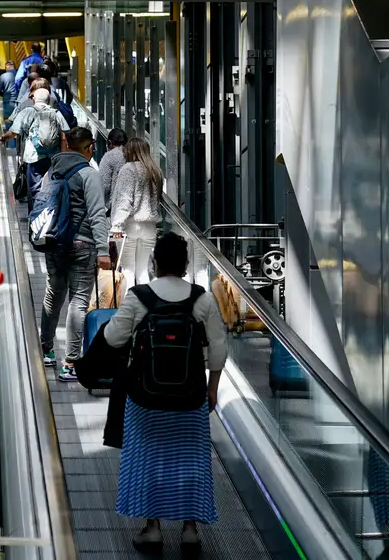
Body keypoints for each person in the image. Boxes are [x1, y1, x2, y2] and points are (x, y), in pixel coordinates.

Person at [103, 232, 226, 550]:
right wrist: (211, 390)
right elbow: (218, 350)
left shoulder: (138, 296)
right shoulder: (202, 299)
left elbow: (114, 338)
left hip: (146, 399)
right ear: (185, 265)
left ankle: (152, 527)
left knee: (148, 458)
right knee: (191, 460)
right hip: (191, 398)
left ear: (154, 262)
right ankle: (189, 530)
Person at [39, 127, 110, 381]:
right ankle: (69, 363)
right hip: (83, 244)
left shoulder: (52, 170)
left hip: (54, 243)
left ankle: (46, 349)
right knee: (78, 301)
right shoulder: (89, 173)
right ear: (88, 147)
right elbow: (97, 213)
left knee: (53, 294)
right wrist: (103, 250)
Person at [110, 137, 164, 289]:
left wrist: (116, 226)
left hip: (130, 226)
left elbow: (124, 200)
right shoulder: (155, 170)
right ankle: (145, 308)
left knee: (128, 270)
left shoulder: (128, 169)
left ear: (129, 151)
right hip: (150, 227)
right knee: (142, 271)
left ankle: (129, 308)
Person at [0, 88, 69, 202]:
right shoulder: (56, 113)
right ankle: (50, 211)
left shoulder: (27, 112)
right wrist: (63, 156)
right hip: (54, 157)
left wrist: (3, 138)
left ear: (34, 99)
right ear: (49, 99)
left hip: (33, 156)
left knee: (34, 188)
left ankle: (35, 214)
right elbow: (64, 135)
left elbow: (14, 132)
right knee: (53, 186)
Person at [98, 128, 128, 210]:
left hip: (116, 206)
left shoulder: (109, 157)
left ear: (109, 143)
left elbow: (104, 185)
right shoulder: (132, 155)